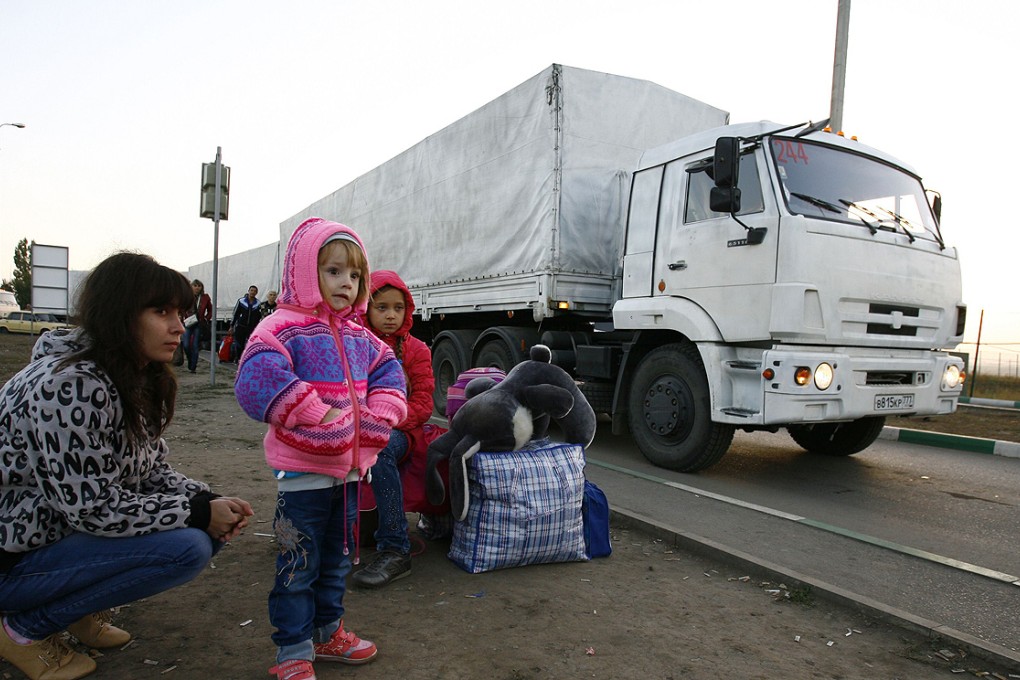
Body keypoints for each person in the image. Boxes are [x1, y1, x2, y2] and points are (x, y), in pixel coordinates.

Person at [0, 252, 254, 680]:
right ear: (119, 314)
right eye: (161, 312)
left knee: (204, 531)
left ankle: (75, 614)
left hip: (52, 540)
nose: (178, 326)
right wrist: (195, 512)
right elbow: (92, 508)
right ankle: (21, 629)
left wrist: (207, 499)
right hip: (12, 557)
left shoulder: (127, 374)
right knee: (187, 547)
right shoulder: (70, 385)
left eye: (180, 313)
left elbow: (151, 472)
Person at [234, 217, 407, 679]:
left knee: (337, 560)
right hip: (303, 477)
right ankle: (292, 650)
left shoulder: (363, 338)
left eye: (354, 275)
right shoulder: (282, 327)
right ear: (306, 273)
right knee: (298, 564)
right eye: (333, 271)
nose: (346, 284)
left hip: (351, 476)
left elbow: (390, 375)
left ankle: (328, 631)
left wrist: (378, 418)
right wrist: (316, 412)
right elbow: (256, 378)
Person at [352, 271, 435, 588]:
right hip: (355, 426)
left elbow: (424, 404)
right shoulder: (352, 344)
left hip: (401, 433)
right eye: (382, 307)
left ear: (408, 310)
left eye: (397, 308)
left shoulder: (416, 350)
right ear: (366, 307)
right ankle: (305, 532)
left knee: (381, 449)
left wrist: (383, 421)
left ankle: (395, 548)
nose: (390, 315)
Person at [182, 278, 213, 373]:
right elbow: (181, 307)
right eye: (195, 286)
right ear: (191, 287)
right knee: (186, 344)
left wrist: (206, 318)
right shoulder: (187, 296)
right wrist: (182, 317)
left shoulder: (205, 297)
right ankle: (190, 359)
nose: (197, 288)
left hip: (199, 323)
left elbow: (210, 310)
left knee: (195, 345)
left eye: (199, 286)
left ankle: (193, 367)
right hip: (188, 322)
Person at [230, 284, 260, 361]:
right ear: (248, 291)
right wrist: (232, 325)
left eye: (254, 291)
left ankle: (247, 358)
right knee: (239, 343)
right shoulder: (241, 301)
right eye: (251, 290)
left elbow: (259, 316)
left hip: (252, 327)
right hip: (241, 326)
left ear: (256, 293)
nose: (253, 292)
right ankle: (238, 358)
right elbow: (235, 313)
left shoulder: (258, 304)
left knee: (250, 343)